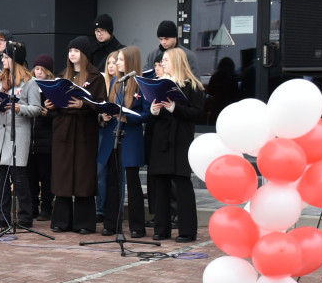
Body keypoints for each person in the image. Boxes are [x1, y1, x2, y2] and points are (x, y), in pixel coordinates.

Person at [46, 36, 107, 234]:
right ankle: (61, 221)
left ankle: (84, 222)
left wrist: (84, 104)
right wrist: (51, 105)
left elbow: (101, 104)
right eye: (70, 51)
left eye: (76, 51)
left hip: (84, 131)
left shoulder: (96, 77)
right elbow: (56, 101)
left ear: (85, 54)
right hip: (63, 130)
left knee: (83, 175)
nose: (72, 54)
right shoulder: (63, 75)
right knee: (63, 174)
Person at [148, 47, 205, 242]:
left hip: (180, 139)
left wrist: (174, 108)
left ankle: (187, 231)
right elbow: (152, 117)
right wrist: (154, 110)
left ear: (176, 61)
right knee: (161, 184)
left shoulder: (193, 85)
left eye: (165, 60)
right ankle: (161, 229)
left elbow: (198, 113)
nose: (162, 63)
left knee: (182, 183)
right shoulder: (159, 84)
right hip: (161, 139)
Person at [0, 43, 42, 229]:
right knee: (0, 177)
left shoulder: (30, 81)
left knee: (18, 177)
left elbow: (36, 109)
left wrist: (19, 107)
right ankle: (2, 216)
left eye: (5, 57)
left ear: (15, 59)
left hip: (17, 132)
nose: (2, 60)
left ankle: (25, 216)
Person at [99, 47, 148, 237]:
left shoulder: (141, 84)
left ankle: (137, 226)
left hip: (132, 137)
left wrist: (130, 118)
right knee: (113, 181)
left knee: (133, 184)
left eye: (120, 60)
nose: (117, 63)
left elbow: (146, 114)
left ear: (130, 62)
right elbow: (111, 106)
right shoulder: (115, 82)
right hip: (115, 135)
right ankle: (111, 224)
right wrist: (106, 115)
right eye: (116, 59)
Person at [28, 53, 55, 221]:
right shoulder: (30, 86)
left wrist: (47, 114)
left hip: (46, 140)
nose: (38, 72)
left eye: (42, 70)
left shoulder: (52, 89)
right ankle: (32, 206)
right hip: (31, 139)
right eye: (36, 69)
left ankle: (46, 207)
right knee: (31, 176)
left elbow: (57, 116)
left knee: (46, 177)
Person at [95, 50, 120, 223]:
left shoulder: (122, 84)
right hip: (104, 130)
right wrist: (101, 116)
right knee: (100, 171)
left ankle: (114, 210)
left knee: (116, 174)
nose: (111, 66)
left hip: (119, 130)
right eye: (109, 63)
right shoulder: (102, 83)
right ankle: (100, 209)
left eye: (114, 62)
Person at [204, 56, 241, 124]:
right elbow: (236, 94)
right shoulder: (233, 78)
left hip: (216, 107)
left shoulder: (215, 77)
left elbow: (210, 92)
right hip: (230, 107)